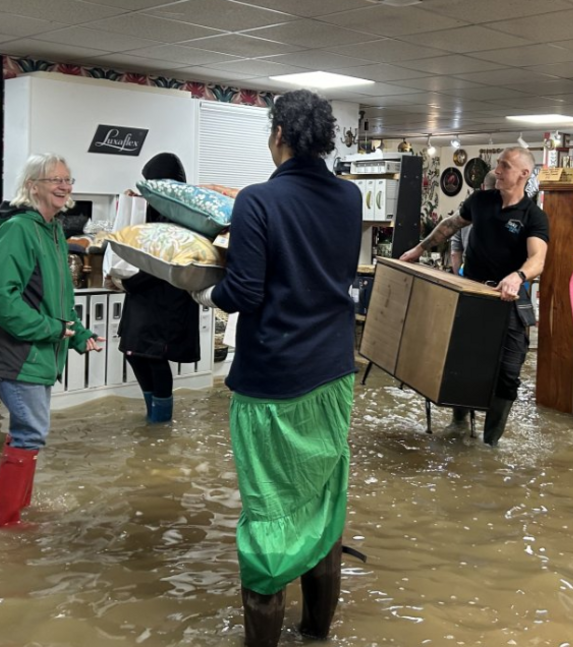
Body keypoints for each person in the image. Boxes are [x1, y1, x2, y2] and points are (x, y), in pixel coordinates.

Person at [192, 89, 360, 647]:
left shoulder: (257, 202)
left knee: (269, 513)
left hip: (274, 383)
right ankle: (317, 636)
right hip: (334, 375)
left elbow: (244, 289)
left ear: (280, 135)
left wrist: (206, 294)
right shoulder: (350, 197)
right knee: (321, 506)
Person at [0, 153, 103, 528]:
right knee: (30, 432)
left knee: (28, 433)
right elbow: (0, 297)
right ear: (32, 186)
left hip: (38, 353)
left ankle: (17, 512)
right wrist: (51, 330)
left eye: (68, 179)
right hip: (17, 353)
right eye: (54, 180)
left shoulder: (54, 231)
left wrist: (79, 335)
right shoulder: (19, 230)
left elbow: (60, 300)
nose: (64, 186)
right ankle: (7, 524)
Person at [400, 147, 549, 446]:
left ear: (524, 173)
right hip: (471, 296)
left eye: (505, 166)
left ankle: (489, 444)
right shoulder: (480, 201)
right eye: (498, 165)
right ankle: (458, 425)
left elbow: (538, 259)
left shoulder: (534, 216)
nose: (497, 170)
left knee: (508, 375)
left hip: (509, 303)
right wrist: (419, 249)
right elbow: (449, 225)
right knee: (462, 364)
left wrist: (518, 276)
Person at [117, 153, 200, 424]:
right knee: (133, 352)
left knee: (153, 356)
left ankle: (161, 422)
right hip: (142, 294)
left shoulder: (183, 213)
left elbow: (167, 260)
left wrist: (129, 282)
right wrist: (134, 205)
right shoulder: (151, 207)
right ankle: (152, 412)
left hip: (167, 295)